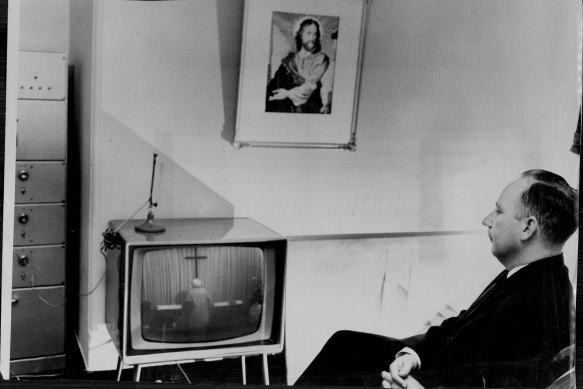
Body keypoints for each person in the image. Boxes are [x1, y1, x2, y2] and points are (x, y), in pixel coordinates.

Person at [295, 170, 577, 388]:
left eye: (499, 211)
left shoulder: (533, 304)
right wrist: (412, 355)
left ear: (528, 228)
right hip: (439, 366)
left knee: (341, 362)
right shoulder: (531, 273)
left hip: (436, 381)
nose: (487, 220)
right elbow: (460, 327)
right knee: (345, 345)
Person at [266, 17, 330, 113]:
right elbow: (275, 85)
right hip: (287, 108)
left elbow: (311, 85)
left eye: (315, 34)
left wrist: (288, 93)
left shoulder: (321, 59)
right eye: (309, 33)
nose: (313, 38)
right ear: (300, 35)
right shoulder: (289, 61)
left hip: (310, 108)